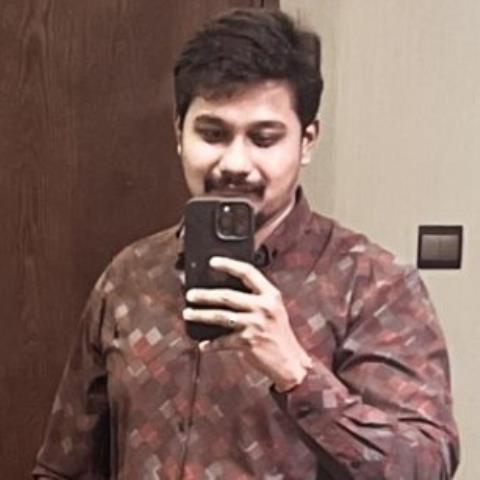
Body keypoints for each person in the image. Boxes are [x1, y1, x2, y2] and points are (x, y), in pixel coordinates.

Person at [33, 8, 459, 479]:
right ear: (179, 134)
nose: (236, 163)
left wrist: (297, 374)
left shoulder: (374, 286)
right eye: (213, 134)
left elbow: (424, 466)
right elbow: (64, 466)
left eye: (264, 138)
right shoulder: (129, 278)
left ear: (307, 141)